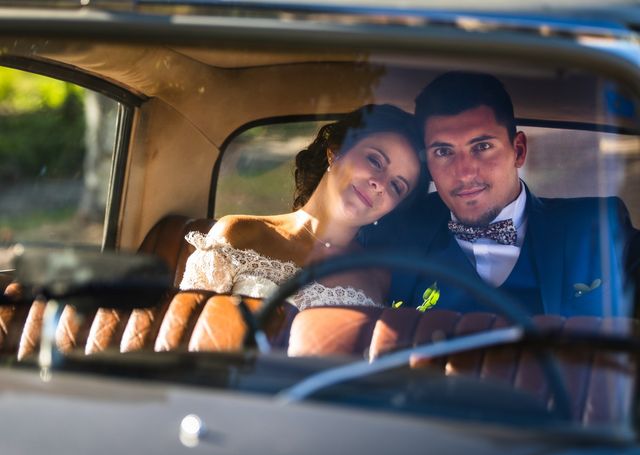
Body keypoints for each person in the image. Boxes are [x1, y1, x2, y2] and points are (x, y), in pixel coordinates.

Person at [364, 72, 638, 317]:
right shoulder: (397, 232)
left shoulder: (597, 227)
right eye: (444, 152)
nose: (464, 173)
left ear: (518, 150)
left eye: (482, 146)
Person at [179, 104, 427, 311]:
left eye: (397, 186)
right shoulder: (239, 233)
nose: (380, 184)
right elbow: (184, 340)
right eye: (375, 160)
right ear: (336, 152)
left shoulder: (378, 279)